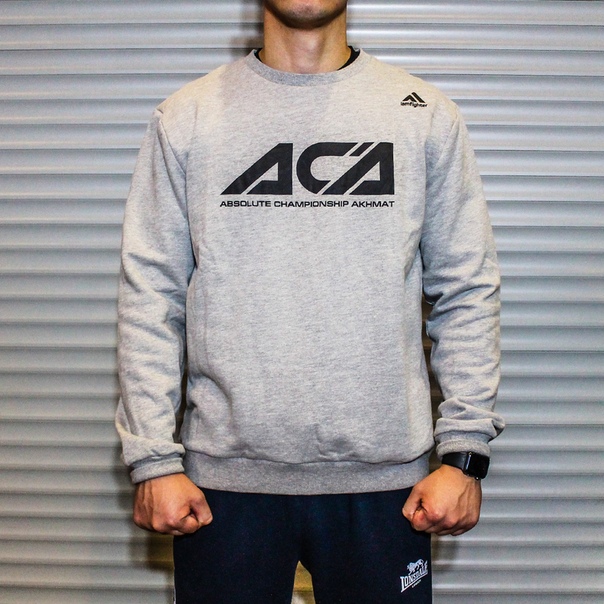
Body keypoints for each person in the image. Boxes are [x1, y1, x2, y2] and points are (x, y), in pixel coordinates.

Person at [116, 1, 504, 602]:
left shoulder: (424, 114)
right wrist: (153, 461)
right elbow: (151, 295)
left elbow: (466, 287)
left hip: (387, 487)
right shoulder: (187, 116)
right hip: (222, 487)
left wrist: (464, 455)